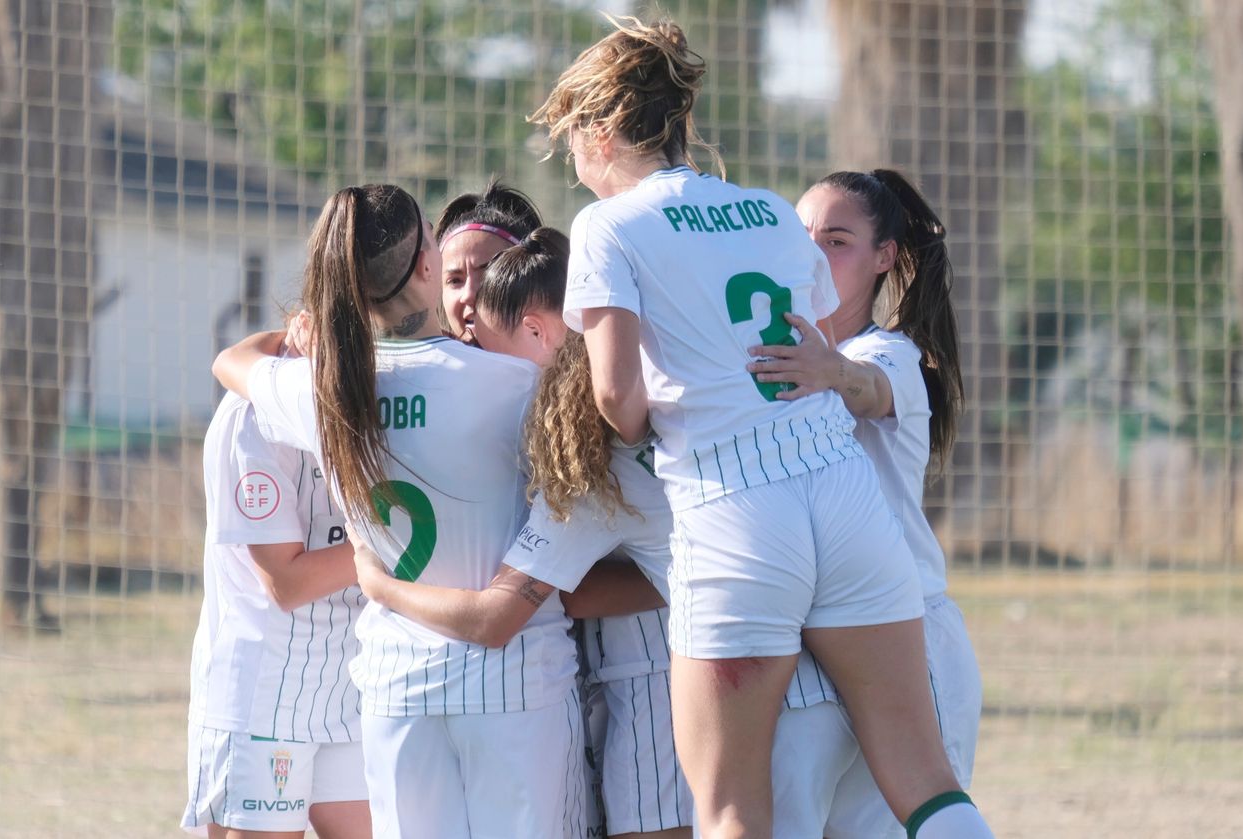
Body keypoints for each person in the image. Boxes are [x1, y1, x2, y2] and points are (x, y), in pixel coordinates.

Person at [530, 16, 995, 839]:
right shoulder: (768, 210)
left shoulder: (609, 225)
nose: (574, 157)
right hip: (844, 493)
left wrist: (644, 425)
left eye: (572, 136)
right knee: (926, 783)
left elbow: (615, 397)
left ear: (601, 130)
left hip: (733, 506)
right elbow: (812, 332)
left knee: (733, 810)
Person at [211, 184, 585, 839]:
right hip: (513, 684)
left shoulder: (323, 392)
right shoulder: (512, 384)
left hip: (395, 686)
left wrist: (308, 330)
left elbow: (232, 361)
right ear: (425, 267)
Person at [348, 227, 694, 839]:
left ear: (537, 330)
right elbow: (580, 589)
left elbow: (495, 618)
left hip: (678, 669)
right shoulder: (670, 386)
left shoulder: (588, 470)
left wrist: (379, 585)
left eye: (481, 345)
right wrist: (706, 575)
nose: (471, 357)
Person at [750, 170, 983, 839]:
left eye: (838, 239)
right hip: (812, 636)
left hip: (910, 634)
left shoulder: (889, 353)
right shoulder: (773, 353)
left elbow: (867, 385)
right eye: (801, 235)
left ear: (884, 258)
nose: (812, 252)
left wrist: (831, 372)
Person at [181, 387, 370, 839]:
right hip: (264, 694)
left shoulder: (394, 387)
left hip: (352, 685)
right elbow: (287, 583)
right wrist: (409, 541)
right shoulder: (256, 411)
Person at [434, 180, 544, 344]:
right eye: (455, 280)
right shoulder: (422, 368)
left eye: (488, 275)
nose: (469, 295)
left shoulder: (580, 365)